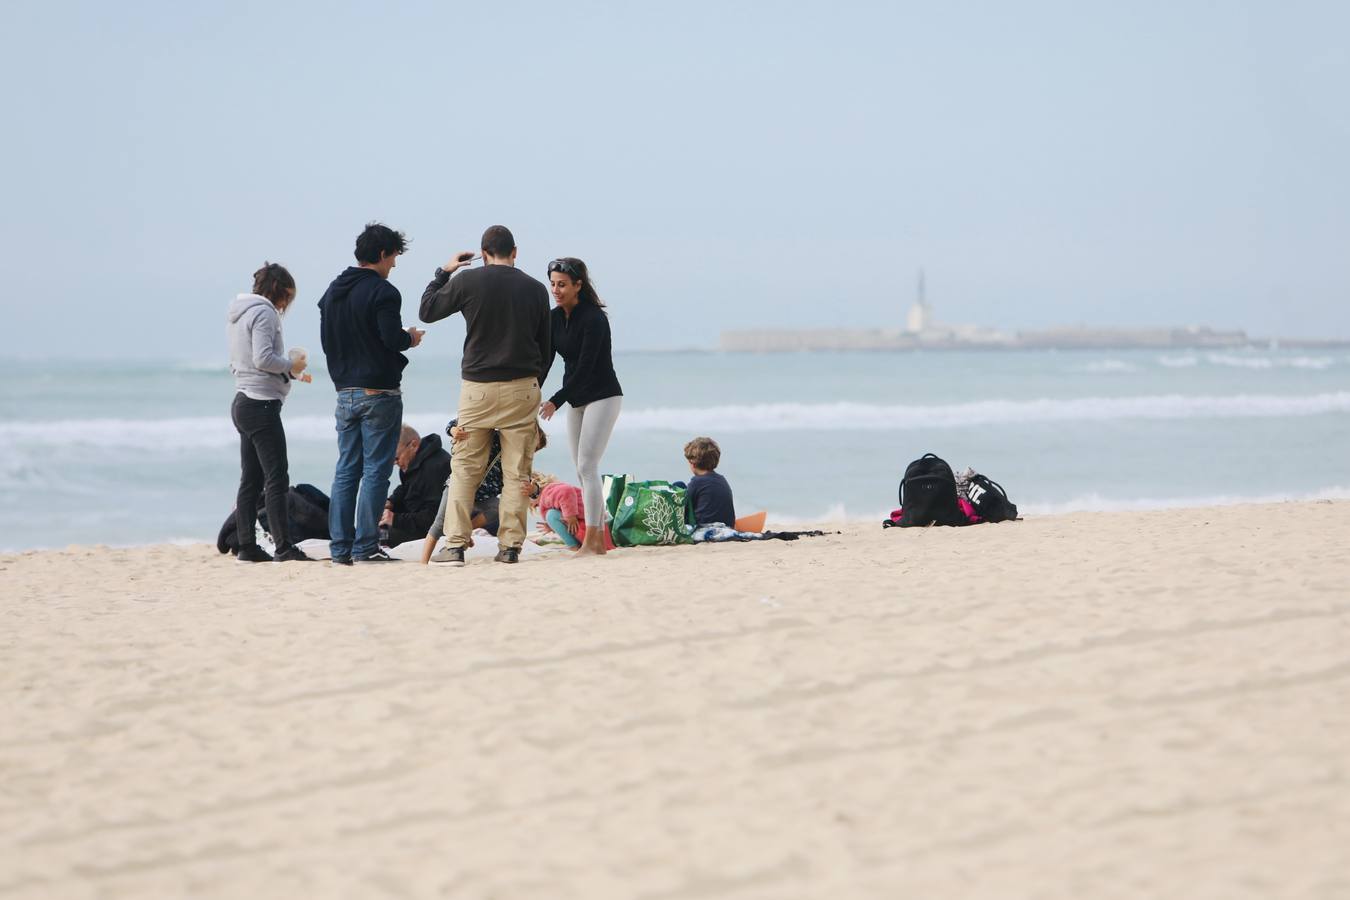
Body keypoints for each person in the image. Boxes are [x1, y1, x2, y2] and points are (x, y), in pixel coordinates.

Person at [419, 225, 550, 566]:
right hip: (522, 387)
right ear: (515, 252)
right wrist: (535, 384)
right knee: (516, 473)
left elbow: (427, 311)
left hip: (477, 388)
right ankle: (509, 547)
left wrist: (445, 271)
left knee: (464, 468)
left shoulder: (467, 281)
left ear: (483, 253)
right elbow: (546, 347)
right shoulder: (536, 289)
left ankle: (457, 545)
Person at [318, 222, 425, 565]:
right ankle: (365, 547)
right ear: (382, 254)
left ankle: (340, 548)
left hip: (344, 390)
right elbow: (390, 338)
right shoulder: (384, 292)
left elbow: (329, 340)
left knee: (346, 469)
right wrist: (410, 338)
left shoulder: (333, 291)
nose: (394, 264)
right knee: (377, 470)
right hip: (378, 392)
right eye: (393, 257)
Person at [226, 262, 313, 563]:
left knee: (250, 479)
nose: (287, 304)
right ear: (279, 290)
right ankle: (283, 547)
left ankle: (247, 546)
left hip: (243, 400)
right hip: (261, 405)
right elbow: (263, 358)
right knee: (276, 478)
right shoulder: (264, 312)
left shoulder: (239, 313)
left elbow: (245, 361)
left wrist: (290, 374)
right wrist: (291, 366)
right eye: (288, 296)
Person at [538, 257, 623, 557]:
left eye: (562, 284)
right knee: (582, 468)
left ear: (578, 285)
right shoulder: (553, 318)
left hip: (603, 395)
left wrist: (555, 400)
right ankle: (597, 539)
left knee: (588, 465)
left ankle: (595, 540)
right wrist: (531, 391)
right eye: (553, 284)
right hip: (576, 398)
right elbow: (545, 361)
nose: (556, 290)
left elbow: (586, 367)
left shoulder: (594, 319)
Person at [421, 422, 548, 565]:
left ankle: (463, 531)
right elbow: (461, 421)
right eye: (529, 445)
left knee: (496, 507)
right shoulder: (495, 437)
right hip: (458, 487)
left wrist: (535, 489)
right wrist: (453, 430)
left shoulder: (517, 463)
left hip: (481, 498)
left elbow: (528, 484)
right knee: (439, 523)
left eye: (532, 451)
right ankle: (423, 562)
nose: (526, 451)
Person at [379, 425, 452, 547]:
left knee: (379, 535)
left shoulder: (434, 468)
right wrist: (391, 501)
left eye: (396, 458)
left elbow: (435, 516)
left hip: (433, 529)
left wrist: (396, 519)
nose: (394, 464)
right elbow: (406, 487)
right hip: (414, 516)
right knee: (371, 525)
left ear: (413, 445)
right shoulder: (412, 461)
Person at [684, 436, 736, 526]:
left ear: (692, 462)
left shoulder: (696, 482)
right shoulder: (722, 480)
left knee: (679, 485)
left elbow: (684, 507)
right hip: (727, 526)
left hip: (703, 526)